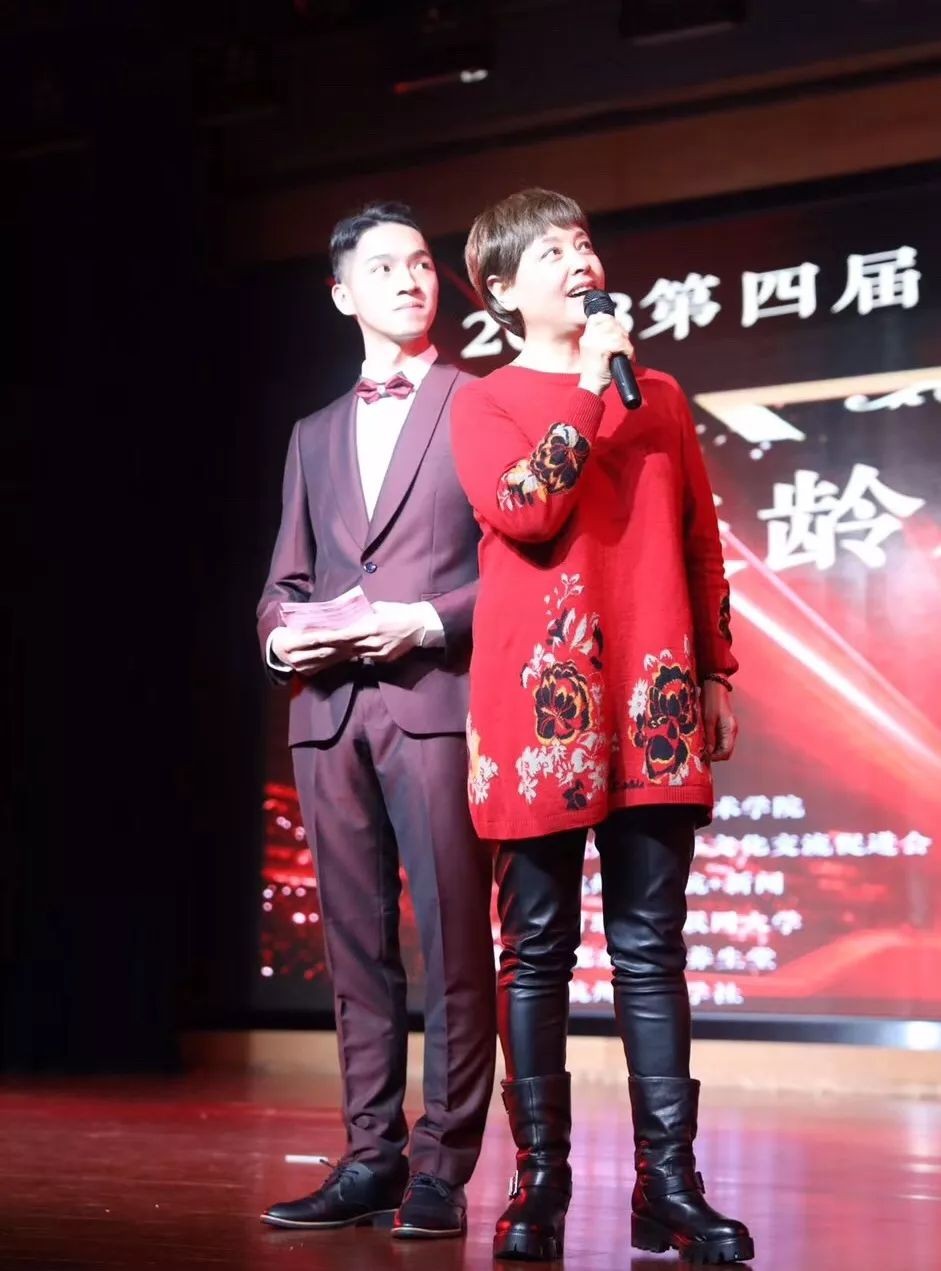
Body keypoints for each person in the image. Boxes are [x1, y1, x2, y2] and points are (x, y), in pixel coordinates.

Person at [450, 188, 755, 1265]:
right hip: (539, 698)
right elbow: (526, 508)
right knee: (535, 947)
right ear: (501, 291)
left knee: (649, 944)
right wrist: (586, 387)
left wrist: (714, 667)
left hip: (653, 684)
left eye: (583, 243)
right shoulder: (484, 402)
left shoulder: (657, 393)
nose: (579, 261)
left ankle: (667, 1184)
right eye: (551, 252)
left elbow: (700, 536)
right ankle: (539, 1181)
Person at [257, 202, 496, 1240]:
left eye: (422, 264)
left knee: (452, 938)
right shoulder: (311, 433)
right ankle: (368, 1155)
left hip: (433, 699)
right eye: (384, 266)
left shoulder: (478, 405)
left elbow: (517, 570)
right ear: (341, 294)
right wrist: (280, 640)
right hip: (326, 711)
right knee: (354, 947)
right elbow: (285, 581)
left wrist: (429, 619)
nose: (409, 278)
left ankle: (442, 1164)